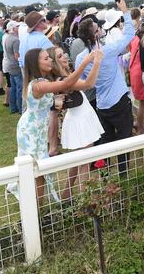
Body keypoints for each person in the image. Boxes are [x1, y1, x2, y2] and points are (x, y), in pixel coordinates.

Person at [6, 47, 98, 206]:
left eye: (49, 57)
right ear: (36, 63)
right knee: (35, 170)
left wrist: (55, 102)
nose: (50, 61)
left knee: (39, 171)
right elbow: (69, 82)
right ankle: (33, 209)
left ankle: (37, 209)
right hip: (30, 131)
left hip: (39, 130)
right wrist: (85, 62)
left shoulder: (44, 82)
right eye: (46, 58)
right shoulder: (38, 85)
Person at [75, 0, 136, 174]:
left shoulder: (81, 58)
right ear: (95, 34)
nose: (101, 29)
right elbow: (129, 34)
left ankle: (105, 175)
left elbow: (87, 80)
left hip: (101, 104)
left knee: (106, 142)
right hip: (119, 101)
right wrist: (124, 11)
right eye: (98, 28)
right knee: (124, 139)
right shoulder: (108, 50)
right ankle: (123, 174)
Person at [47, 46, 103, 199]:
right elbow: (88, 84)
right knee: (84, 162)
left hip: (80, 116)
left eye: (63, 53)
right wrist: (96, 63)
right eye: (60, 56)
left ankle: (67, 193)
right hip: (79, 120)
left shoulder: (65, 76)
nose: (65, 56)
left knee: (77, 160)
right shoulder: (64, 80)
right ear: (54, 62)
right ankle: (86, 199)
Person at [128, 8, 144, 134]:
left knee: (141, 101)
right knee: (143, 103)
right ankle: (140, 127)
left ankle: (138, 124)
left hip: (133, 70)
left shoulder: (134, 39)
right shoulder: (143, 41)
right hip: (139, 72)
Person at [3, 21, 22, 114]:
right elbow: (16, 55)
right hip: (16, 65)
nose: (19, 29)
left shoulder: (7, 38)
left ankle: (13, 108)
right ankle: (20, 109)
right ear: (13, 28)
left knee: (13, 87)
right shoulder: (16, 40)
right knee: (19, 88)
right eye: (17, 27)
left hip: (10, 65)